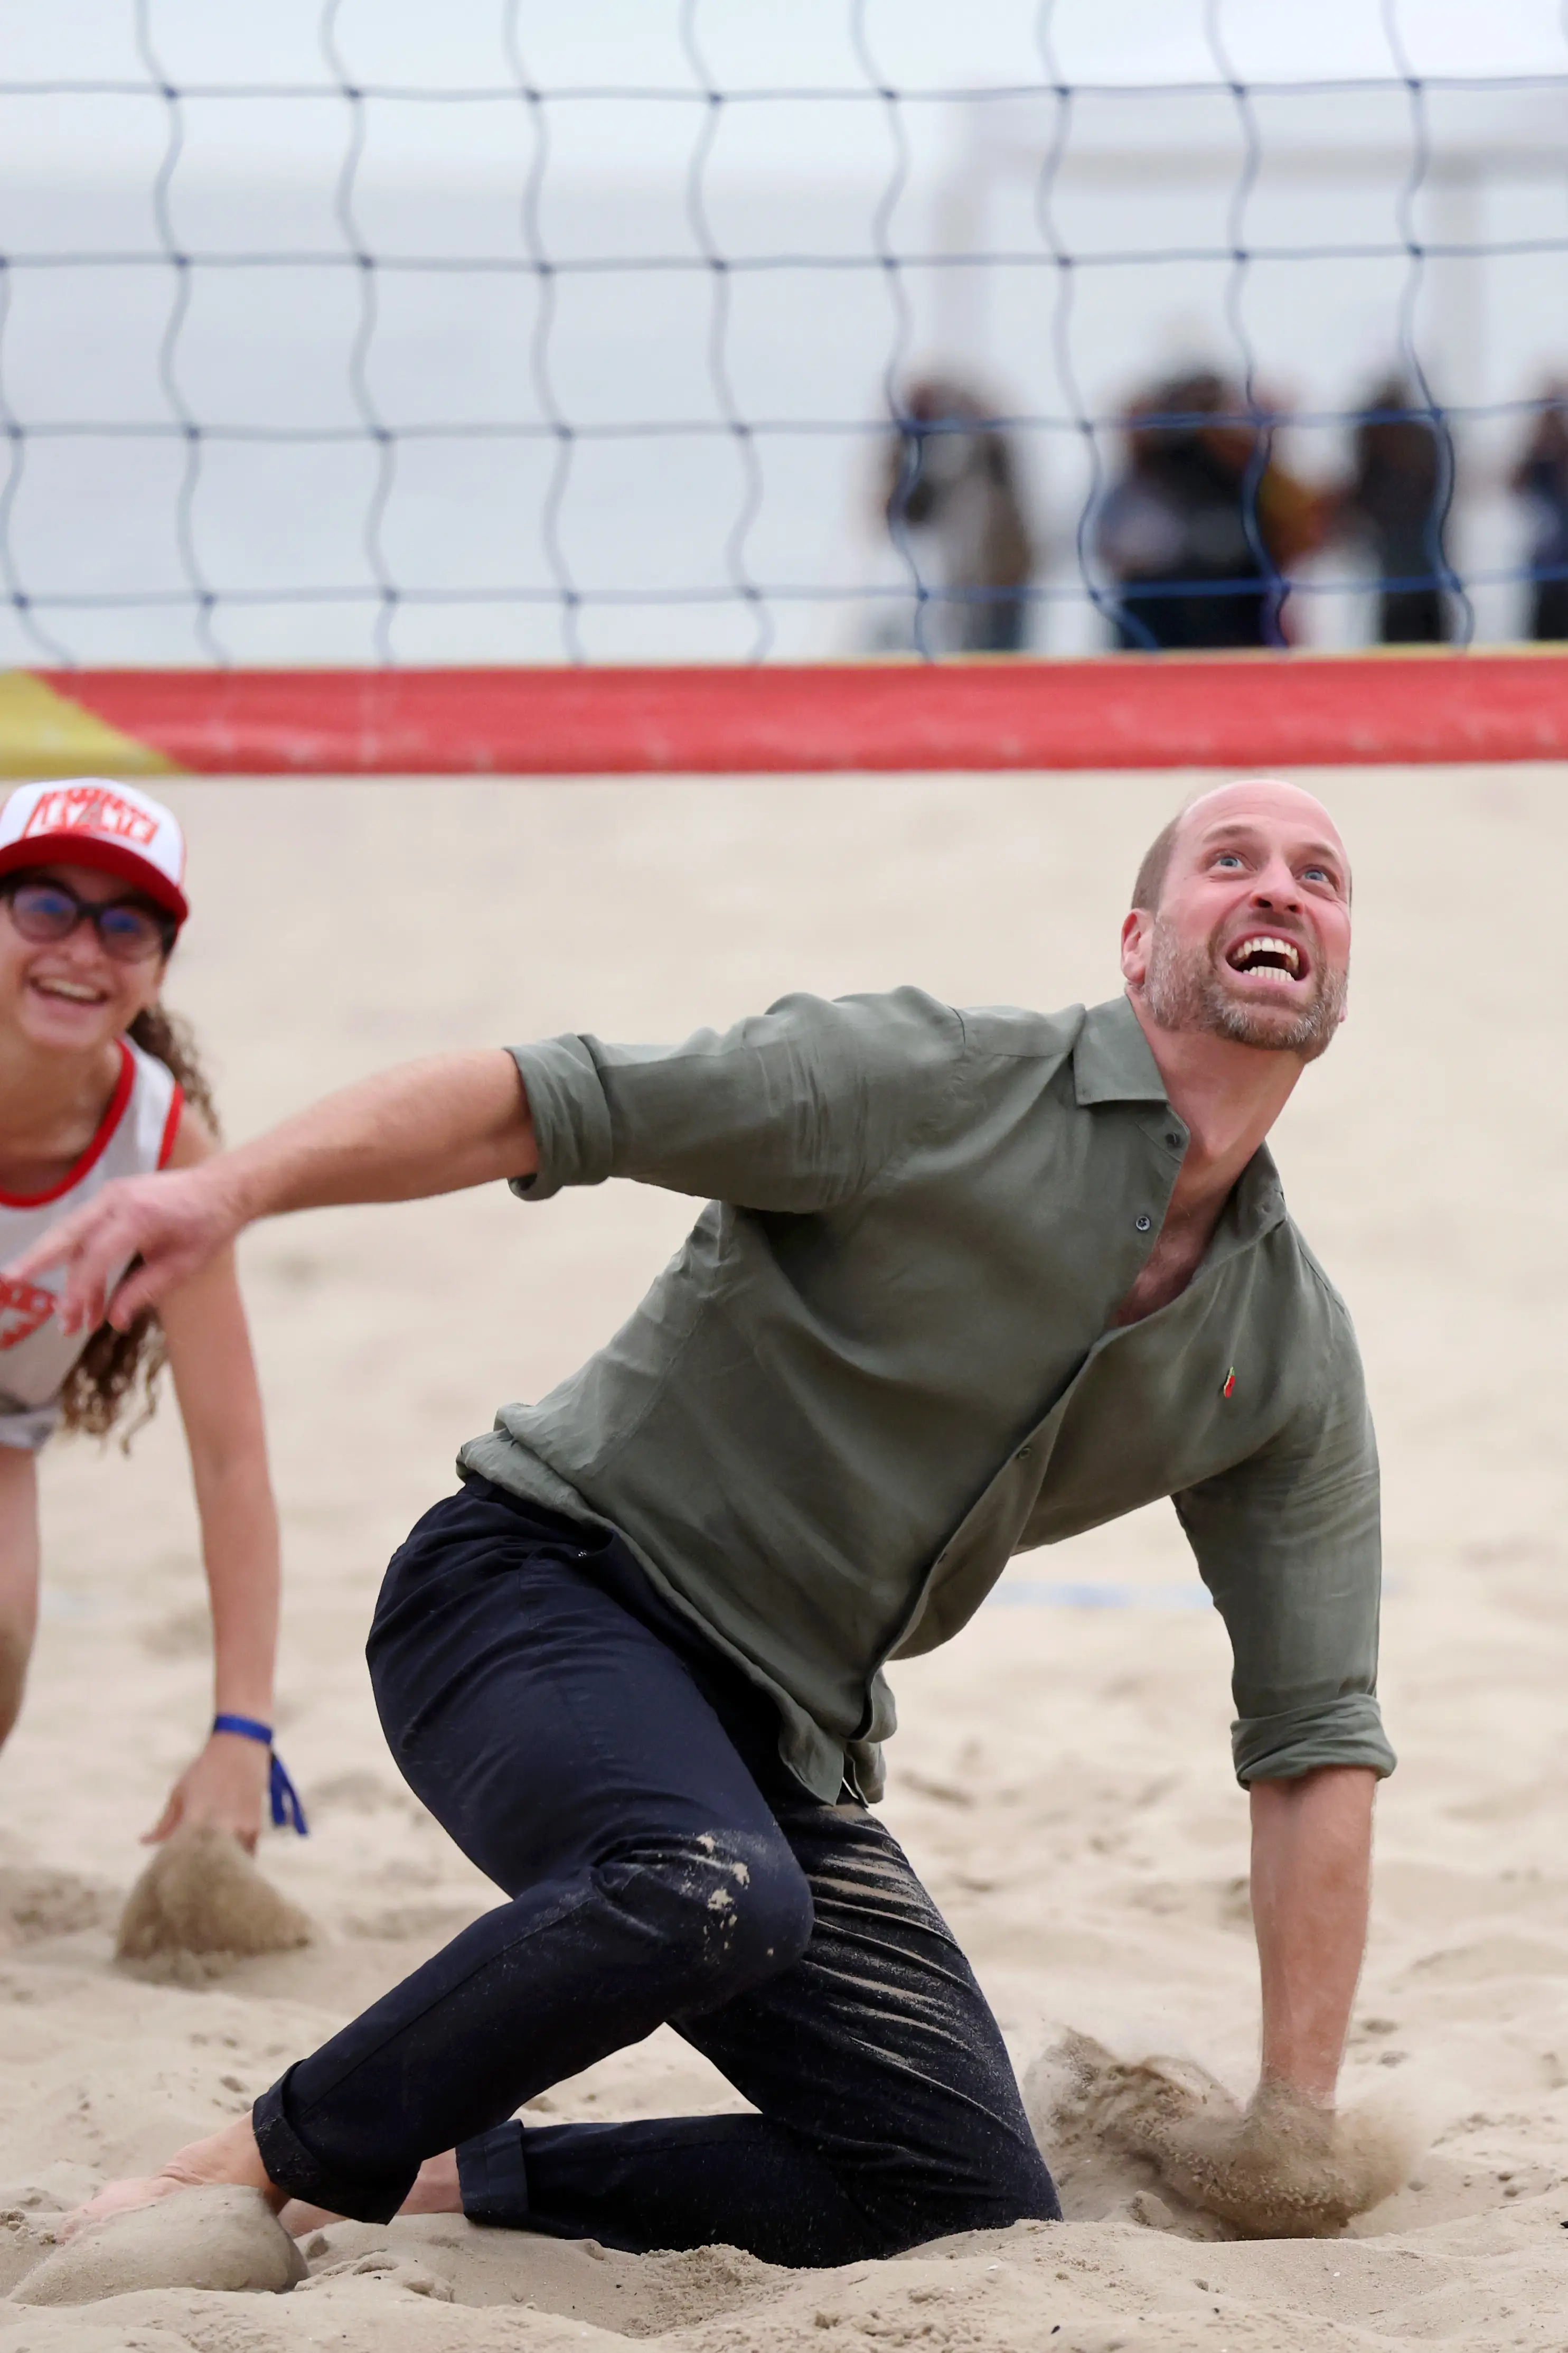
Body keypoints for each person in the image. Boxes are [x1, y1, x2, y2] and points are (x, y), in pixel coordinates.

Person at [16, 778, 1389, 2263]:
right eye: (1230, 861)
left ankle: (463, 2179)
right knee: (705, 1883)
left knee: (960, 2194)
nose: (1279, 889)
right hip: (534, 1593)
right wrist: (230, 1189)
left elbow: (1315, 1738)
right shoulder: (927, 1079)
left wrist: (1295, 2111)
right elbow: (543, 1097)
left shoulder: (1289, 1350)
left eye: (1320, 873)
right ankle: (252, 2159)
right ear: (1137, 944)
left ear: (1337, 970)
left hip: (782, 1743)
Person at [0, 777, 293, 1852]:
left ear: (160, 966)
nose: (83, 949)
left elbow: (231, 1457)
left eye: (126, 924)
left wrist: (241, 1727)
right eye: (44, 907)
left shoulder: (165, 1147)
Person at [1094, 369, 1322, 650]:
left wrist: (1268, 442)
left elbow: (1305, 538)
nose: (1197, 429)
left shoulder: (1250, 476)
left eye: (1209, 411)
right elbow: (1113, 547)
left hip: (1240, 636)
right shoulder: (1150, 475)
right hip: (1159, 637)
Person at [882, 376, 1037, 653]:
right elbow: (904, 509)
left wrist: (970, 409)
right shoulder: (925, 462)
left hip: (998, 585)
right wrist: (910, 432)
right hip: (940, 584)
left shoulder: (991, 470)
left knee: (998, 658)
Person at [1337, 374, 1454, 646]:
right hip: (1393, 575)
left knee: (1424, 640)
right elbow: (1359, 501)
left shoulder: (1420, 445)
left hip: (1421, 572)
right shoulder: (1376, 454)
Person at [1509, 384, 1568, 641]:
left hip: (1561, 567)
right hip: (1545, 573)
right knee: (1542, 638)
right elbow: (1513, 483)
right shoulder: (1537, 459)